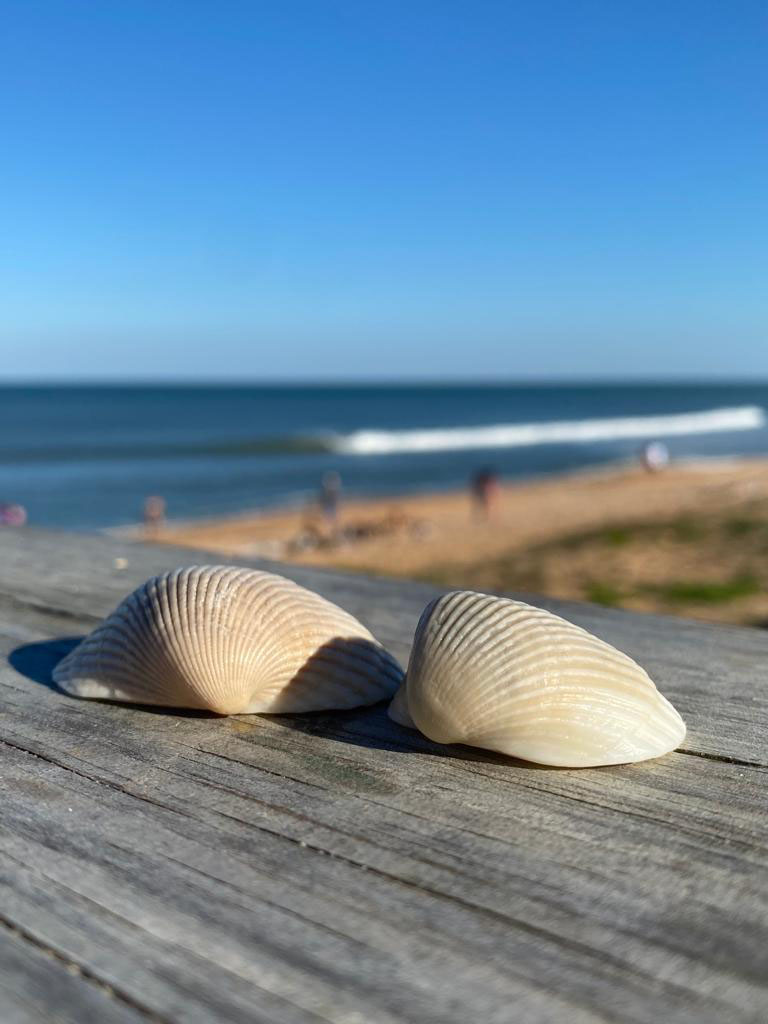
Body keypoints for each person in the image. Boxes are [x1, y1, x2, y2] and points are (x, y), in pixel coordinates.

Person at [319, 471, 342, 537]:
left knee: (332, 519)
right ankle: (329, 532)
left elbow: (335, 498)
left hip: (331, 506)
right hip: (329, 506)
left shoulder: (330, 489)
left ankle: (332, 532)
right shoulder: (329, 489)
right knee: (329, 519)